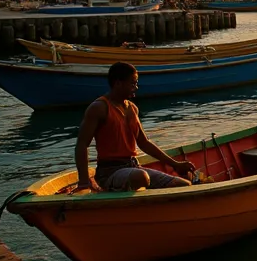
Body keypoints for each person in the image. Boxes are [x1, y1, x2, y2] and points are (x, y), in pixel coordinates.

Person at [75, 62, 196, 192]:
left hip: (134, 167)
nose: (136, 87)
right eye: (132, 83)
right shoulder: (99, 107)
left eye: (136, 83)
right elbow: (82, 144)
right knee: (140, 177)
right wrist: (83, 181)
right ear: (118, 83)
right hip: (109, 173)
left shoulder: (132, 109)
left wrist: (175, 164)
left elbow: (144, 142)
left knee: (182, 185)